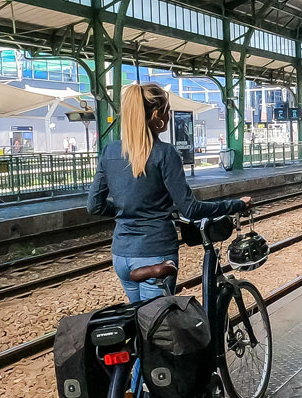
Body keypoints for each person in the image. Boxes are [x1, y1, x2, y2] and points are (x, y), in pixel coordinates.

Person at [87, 82, 251, 302]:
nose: (169, 115)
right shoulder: (165, 153)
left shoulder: (110, 151)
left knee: (141, 322)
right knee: (158, 327)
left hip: (121, 255)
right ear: (157, 115)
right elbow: (190, 208)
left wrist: (125, 210)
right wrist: (237, 204)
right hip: (154, 254)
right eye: (168, 110)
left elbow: (94, 205)